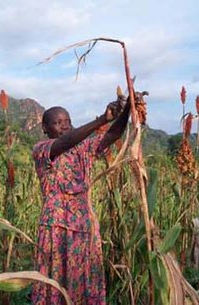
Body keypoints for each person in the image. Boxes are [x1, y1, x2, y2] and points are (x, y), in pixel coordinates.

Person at [31, 94, 130, 305]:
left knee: (84, 277)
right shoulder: (42, 149)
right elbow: (65, 142)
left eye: (67, 122)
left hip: (84, 224)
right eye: (57, 123)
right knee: (54, 276)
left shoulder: (83, 149)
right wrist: (102, 119)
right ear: (45, 128)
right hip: (56, 226)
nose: (64, 127)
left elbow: (113, 134)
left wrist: (127, 110)